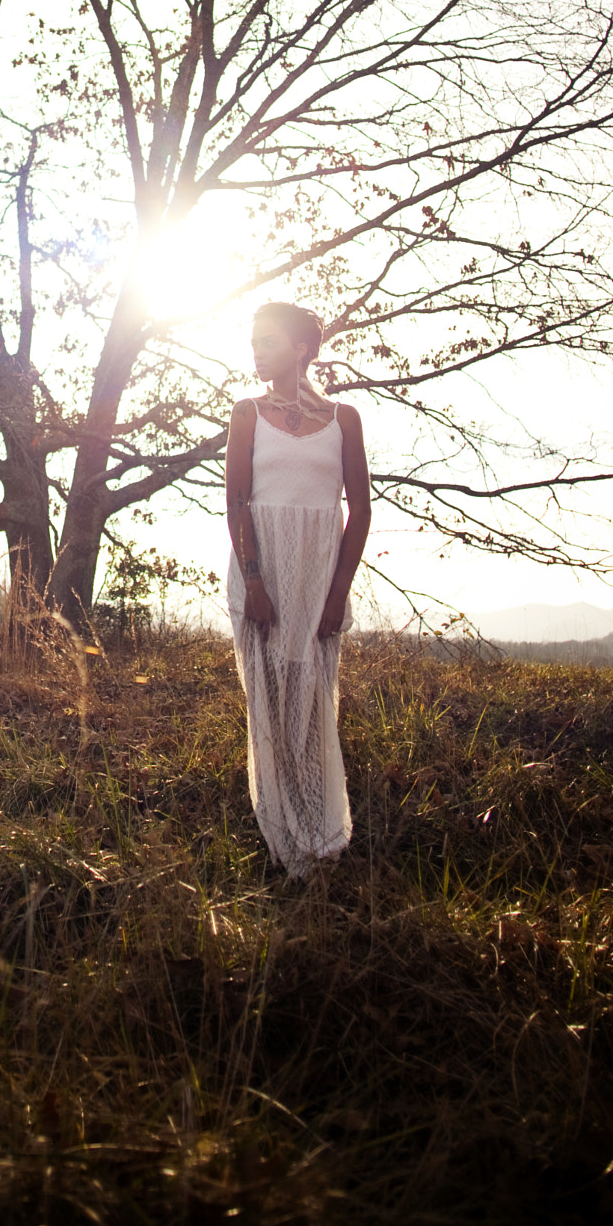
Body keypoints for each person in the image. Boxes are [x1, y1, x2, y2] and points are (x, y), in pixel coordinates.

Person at [224, 302, 371, 877]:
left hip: (319, 575)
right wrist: (254, 580)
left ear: (302, 349)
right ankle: (283, 838)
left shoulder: (344, 419)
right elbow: (237, 504)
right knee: (268, 701)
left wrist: (338, 594)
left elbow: (358, 511)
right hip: (262, 569)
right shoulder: (246, 414)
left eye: (267, 340)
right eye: (253, 339)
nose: (256, 350)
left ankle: (321, 834)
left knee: (311, 702)